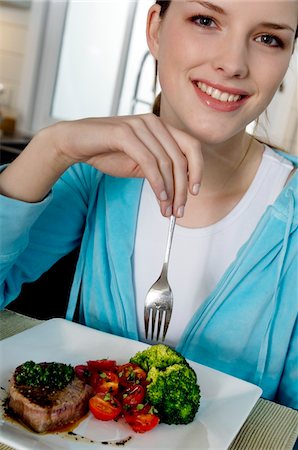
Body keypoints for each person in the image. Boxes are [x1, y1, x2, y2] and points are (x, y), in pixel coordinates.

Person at [0, 0, 297, 409]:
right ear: (156, 28)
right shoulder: (94, 177)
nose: (233, 63)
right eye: (205, 20)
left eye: (268, 38)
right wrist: (52, 147)